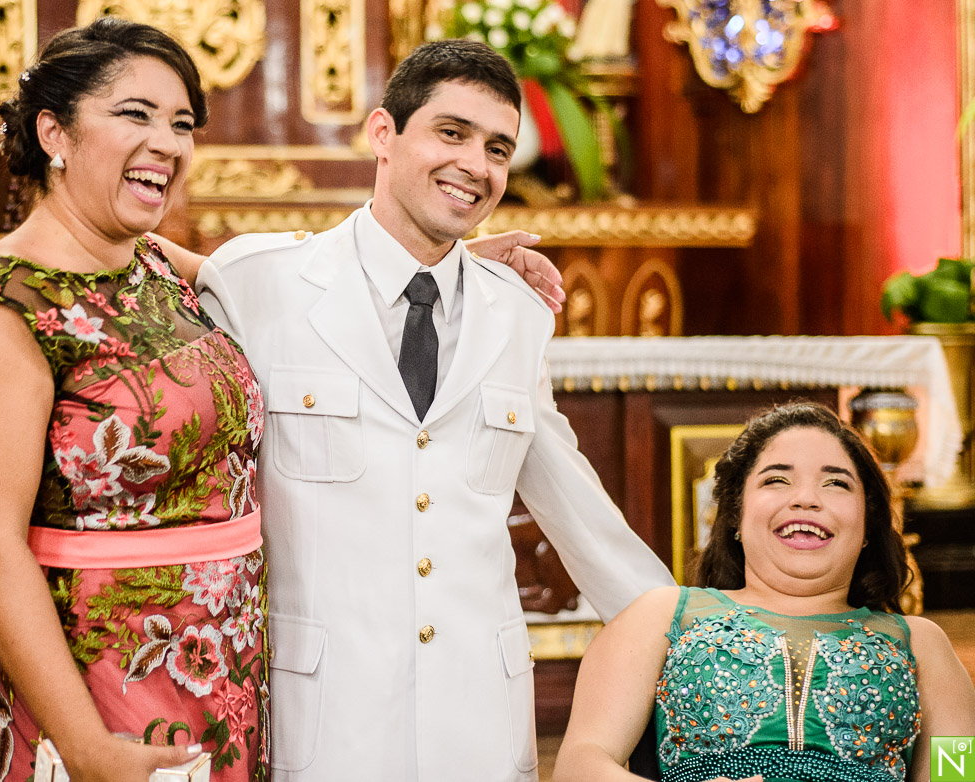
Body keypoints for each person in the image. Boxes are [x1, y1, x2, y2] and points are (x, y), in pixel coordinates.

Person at [0, 19, 570, 782]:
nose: (167, 144)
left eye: (180, 124)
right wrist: (85, 745)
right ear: (54, 132)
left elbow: (316, 280)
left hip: (227, 673)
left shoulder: (147, 262)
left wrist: (446, 262)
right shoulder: (3, 308)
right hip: (108, 678)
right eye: (135, 114)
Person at [196, 39, 675, 782]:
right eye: (451, 133)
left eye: (497, 148)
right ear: (383, 134)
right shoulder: (260, 285)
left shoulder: (517, 315)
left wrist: (707, 633)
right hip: (325, 717)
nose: (476, 165)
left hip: (479, 719)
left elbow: (579, 512)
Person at [552, 402, 975, 782]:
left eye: (837, 484)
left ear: (868, 525)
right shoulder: (663, 615)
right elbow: (581, 763)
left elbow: (958, 773)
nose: (806, 499)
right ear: (735, 513)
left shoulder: (922, 644)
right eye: (777, 480)